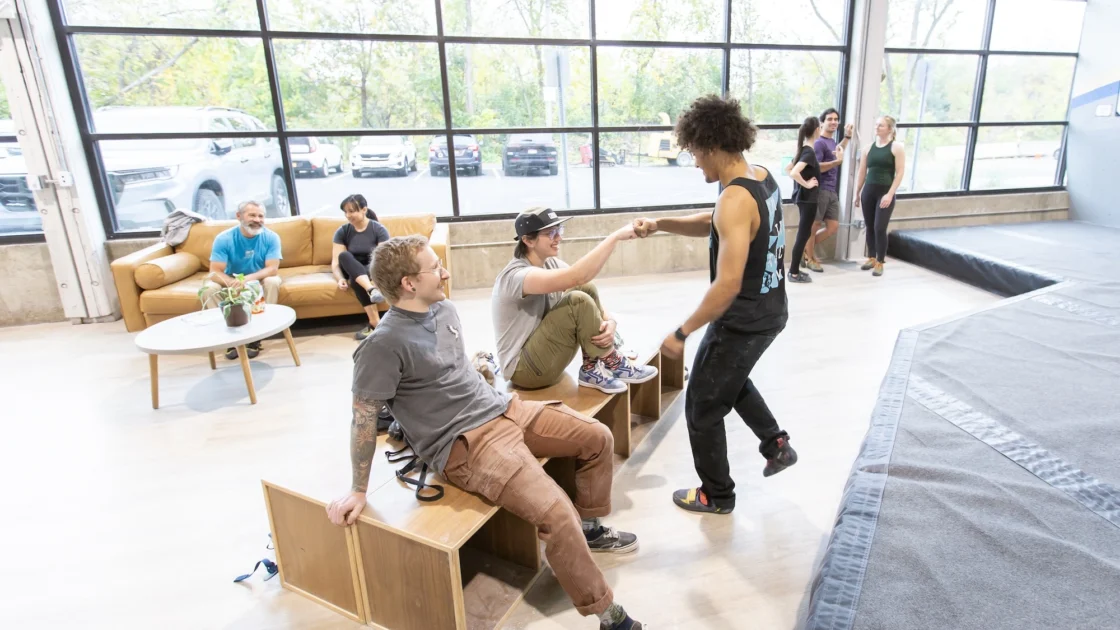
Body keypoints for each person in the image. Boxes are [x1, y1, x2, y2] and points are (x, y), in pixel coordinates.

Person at [327, 236, 645, 630]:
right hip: (467, 444)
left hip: (503, 408)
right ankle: (608, 615)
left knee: (597, 437)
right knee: (557, 513)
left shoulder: (443, 309)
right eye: (434, 267)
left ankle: (592, 529)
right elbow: (362, 419)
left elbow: (456, 373)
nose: (444, 271)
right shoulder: (382, 345)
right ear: (409, 283)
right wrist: (359, 489)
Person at [632, 95, 797, 515]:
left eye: (693, 154)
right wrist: (660, 224)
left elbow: (726, 285)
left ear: (708, 144)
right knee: (726, 378)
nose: (694, 164)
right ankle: (776, 444)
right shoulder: (758, 177)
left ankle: (717, 494)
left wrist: (681, 333)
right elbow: (717, 223)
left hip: (742, 318)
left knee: (702, 405)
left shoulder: (733, 200)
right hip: (771, 309)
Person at [492, 207, 657, 395]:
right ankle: (613, 361)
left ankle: (591, 368)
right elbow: (576, 276)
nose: (558, 238)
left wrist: (610, 322)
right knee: (576, 300)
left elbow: (583, 281)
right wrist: (615, 237)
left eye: (559, 230)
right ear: (528, 240)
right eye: (551, 233)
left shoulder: (549, 263)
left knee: (585, 289)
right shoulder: (516, 275)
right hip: (526, 372)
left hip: (545, 359)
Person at [200, 200, 282, 360]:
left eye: (261, 216)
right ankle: (229, 338)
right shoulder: (224, 238)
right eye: (252, 215)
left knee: (273, 281)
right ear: (239, 216)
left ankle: (257, 336)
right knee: (209, 287)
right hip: (231, 279)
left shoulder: (271, 237)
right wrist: (232, 283)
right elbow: (215, 271)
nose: (257, 220)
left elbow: (272, 269)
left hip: (259, 278)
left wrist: (247, 280)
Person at [332, 194, 389, 340]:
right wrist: (339, 279)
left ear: (364, 210)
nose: (348, 215)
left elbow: (382, 259)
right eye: (345, 212)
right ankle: (371, 290)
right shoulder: (343, 231)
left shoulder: (378, 229)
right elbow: (336, 262)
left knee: (355, 279)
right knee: (344, 256)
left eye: (352, 211)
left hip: (372, 268)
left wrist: (376, 278)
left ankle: (375, 323)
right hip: (351, 265)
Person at [854, 116, 906, 277]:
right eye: (876, 124)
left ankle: (880, 261)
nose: (877, 127)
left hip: (885, 192)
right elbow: (862, 171)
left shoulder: (896, 147)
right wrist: (857, 192)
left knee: (879, 227)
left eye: (881, 125)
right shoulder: (868, 148)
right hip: (869, 191)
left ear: (890, 129)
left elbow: (900, 172)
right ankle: (871, 256)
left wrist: (890, 194)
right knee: (869, 225)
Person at [807, 109, 854, 271]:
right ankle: (809, 257)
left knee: (833, 227)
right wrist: (836, 163)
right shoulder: (819, 142)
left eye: (836, 119)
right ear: (822, 123)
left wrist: (847, 137)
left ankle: (805, 251)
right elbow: (816, 166)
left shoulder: (832, 142)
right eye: (830, 119)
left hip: (832, 191)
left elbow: (837, 152)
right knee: (813, 226)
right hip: (820, 190)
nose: (834, 122)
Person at [786, 116, 822, 284]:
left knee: (804, 233)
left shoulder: (803, 150)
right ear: (817, 130)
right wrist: (806, 184)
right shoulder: (808, 151)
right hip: (808, 199)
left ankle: (795, 269)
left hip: (805, 199)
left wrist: (802, 185)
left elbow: (789, 168)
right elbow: (793, 172)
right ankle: (793, 272)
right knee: (803, 234)